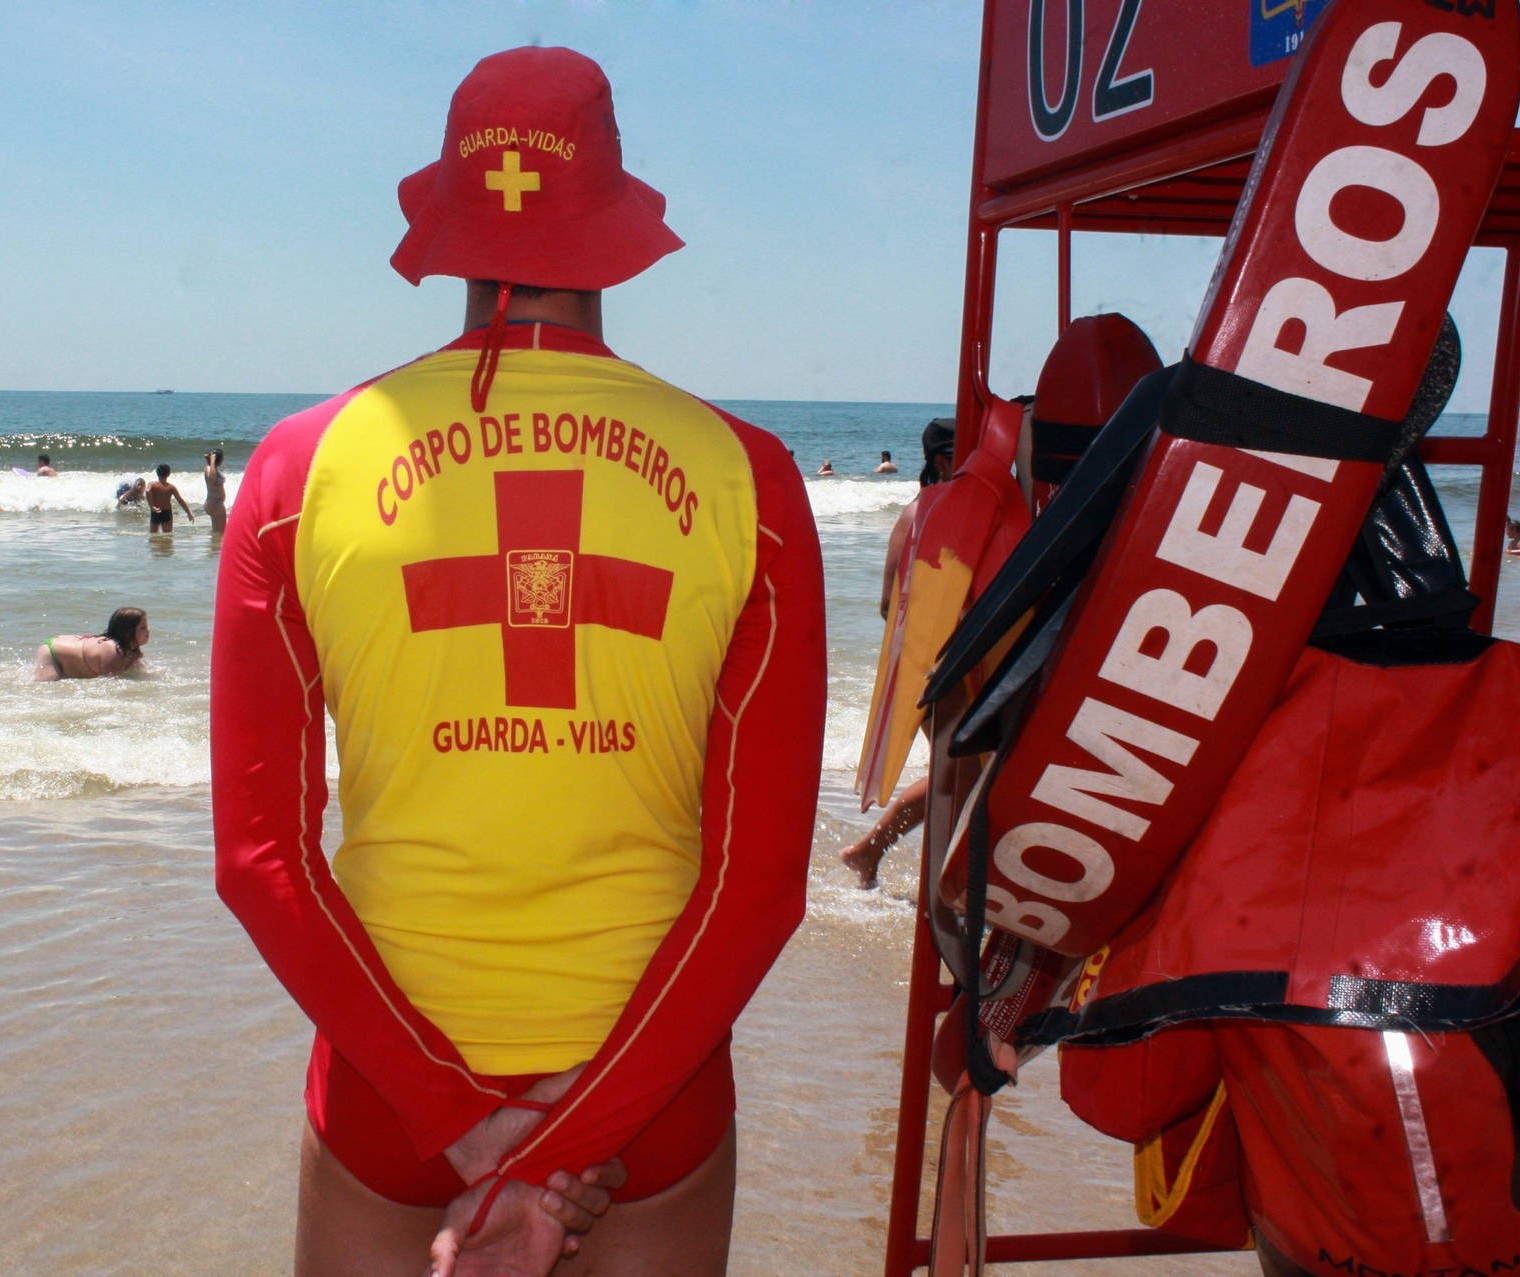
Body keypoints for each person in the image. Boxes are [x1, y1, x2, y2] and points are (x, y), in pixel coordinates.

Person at [211, 46, 826, 1277]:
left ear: (449, 203)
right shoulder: (745, 477)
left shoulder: (296, 470)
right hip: (648, 1098)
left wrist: (470, 1124)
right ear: (610, 212)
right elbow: (756, 886)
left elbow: (260, 860)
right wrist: (570, 1137)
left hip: (393, 1094)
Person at [840, 418, 955, 887]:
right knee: (958, 775)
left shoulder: (914, 511)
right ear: (945, 461)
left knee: (962, 773)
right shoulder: (943, 513)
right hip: (945, 671)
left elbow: (888, 604)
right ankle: (868, 851)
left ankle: (875, 853)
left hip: (923, 668)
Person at [34, 607, 149, 681]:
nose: (148, 630)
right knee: (47, 687)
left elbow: (140, 671)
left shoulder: (131, 649)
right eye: (143, 628)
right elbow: (107, 685)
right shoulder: (112, 652)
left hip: (69, 644)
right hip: (52, 651)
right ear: (128, 632)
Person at [146, 463, 194, 533]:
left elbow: (147, 491)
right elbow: (180, 500)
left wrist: (151, 506)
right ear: (169, 474)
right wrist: (189, 513)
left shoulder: (152, 484)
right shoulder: (171, 487)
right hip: (166, 512)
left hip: (156, 511)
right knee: (167, 536)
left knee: (153, 536)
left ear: (157, 473)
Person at [202, 449, 228, 532]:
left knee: (216, 532)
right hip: (215, 503)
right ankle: (217, 545)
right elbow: (212, 479)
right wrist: (212, 461)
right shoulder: (209, 468)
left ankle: (214, 545)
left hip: (214, 502)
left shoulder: (214, 469)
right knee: (221, 532)